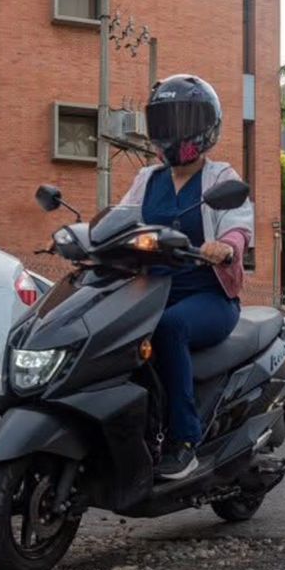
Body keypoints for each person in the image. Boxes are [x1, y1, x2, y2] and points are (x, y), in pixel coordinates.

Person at [118, 74, 253, 480]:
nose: (173, 133)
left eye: (183, 121)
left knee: (169, 329)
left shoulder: (219, 178)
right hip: (151, 292)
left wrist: (225, 245)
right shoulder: (147, 180)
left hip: (208, 297)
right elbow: (121, 219)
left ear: (205, 126)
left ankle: (184, 441)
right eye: (165, 122)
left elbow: (238, 225)